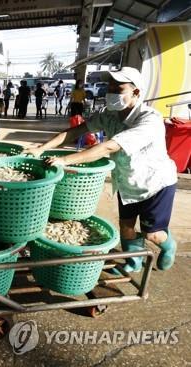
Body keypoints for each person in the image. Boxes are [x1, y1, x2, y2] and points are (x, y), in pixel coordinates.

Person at [26, 67, 178, 273]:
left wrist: (65, 160)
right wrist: (41, 148)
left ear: (136, 93)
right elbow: (77, 130)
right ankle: (133, 263)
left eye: (119, 88)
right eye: (111, 87)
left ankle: (168, 244)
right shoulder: (110, 114)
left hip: (154, 183)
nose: (112, 92)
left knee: (153, 234)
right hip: (127, 182)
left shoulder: (149, 119)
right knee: (126, 226)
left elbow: (109, 147)